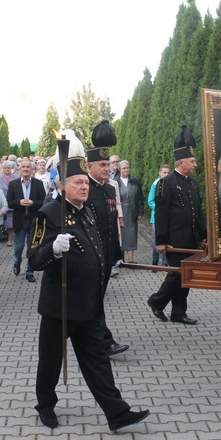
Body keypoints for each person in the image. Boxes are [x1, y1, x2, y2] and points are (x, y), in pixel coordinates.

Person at [28, 155, 149, 431]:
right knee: (50, 362)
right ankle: (45, 405)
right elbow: (34, 259)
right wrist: (53, 250)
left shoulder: (88, 211)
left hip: (90, 305)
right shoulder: (48, 214)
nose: (84, 187)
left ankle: (117, 413)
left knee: (98, 362)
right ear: (63, 185)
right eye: (77, 182)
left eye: (85, 182)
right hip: (59, 306)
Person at [147, 125, 206, 325]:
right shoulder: (166, 183)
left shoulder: (193, 183)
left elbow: (197, 213)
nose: (195, 164)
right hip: (173, 240)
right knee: (176, 275)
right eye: (192, 161)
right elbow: (161, 214)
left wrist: (204, 235)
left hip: (190, 239)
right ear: (181, 162)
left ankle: (179, 313)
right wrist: (161, 241)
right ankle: (156, 301)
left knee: (186, 277)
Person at [85, 120, 130, 356]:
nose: (107, 168)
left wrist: (116, 254)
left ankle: (89, 336)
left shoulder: (109, 189)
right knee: (93, 302)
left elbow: (112, 225)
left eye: (108, 164)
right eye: (102, 164)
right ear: (89, 166)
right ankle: (104, 342)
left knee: (94, 301)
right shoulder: (84, 190)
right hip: (91, 258)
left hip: (106, 256)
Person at [7, 158, 45, 282]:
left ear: (32, 169)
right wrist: (19, 202)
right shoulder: (14, 184)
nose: (25, 169)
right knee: (19, 246)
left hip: (33, 220)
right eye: (23, 167)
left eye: (28, 167)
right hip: (19, 220)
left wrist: (33, 203)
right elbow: (9, 202)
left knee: (31, 246)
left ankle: (30, 271)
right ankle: (17, 261)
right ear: (19, 169)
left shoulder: (38, 184)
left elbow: (43, 201)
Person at [117, 160, 143, 263]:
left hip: (132, 212)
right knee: (121, 236)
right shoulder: (116, 182)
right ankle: (120, 259)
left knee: (131, 235)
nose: (126, 170)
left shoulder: (134, 181)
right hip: (120, 213)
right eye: (124, 168)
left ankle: (131, 260)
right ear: (120, 169)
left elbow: (140, 197)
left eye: (128, 168)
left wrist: (140, 211)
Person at [148, 164, 170, 266]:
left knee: (167, 240)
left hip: (168, 218)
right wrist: (160, 209)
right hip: (156, 218)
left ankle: (165, 262)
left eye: (168, 173)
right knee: (157, 240)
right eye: (164, 172)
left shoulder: (170, 184)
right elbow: (150, 201)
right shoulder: (155, 184)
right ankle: (155, 261)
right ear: (159, 173)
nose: (166, 174)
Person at [0, 161, 15, 246]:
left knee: (10, 223)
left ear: (11, 168)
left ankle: (9, 239)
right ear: (2, 169)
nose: (7, 169)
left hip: (11, 201)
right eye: (5, 168)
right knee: (1, 222)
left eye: (8, 168)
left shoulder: (15, 177)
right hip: (1, 202)